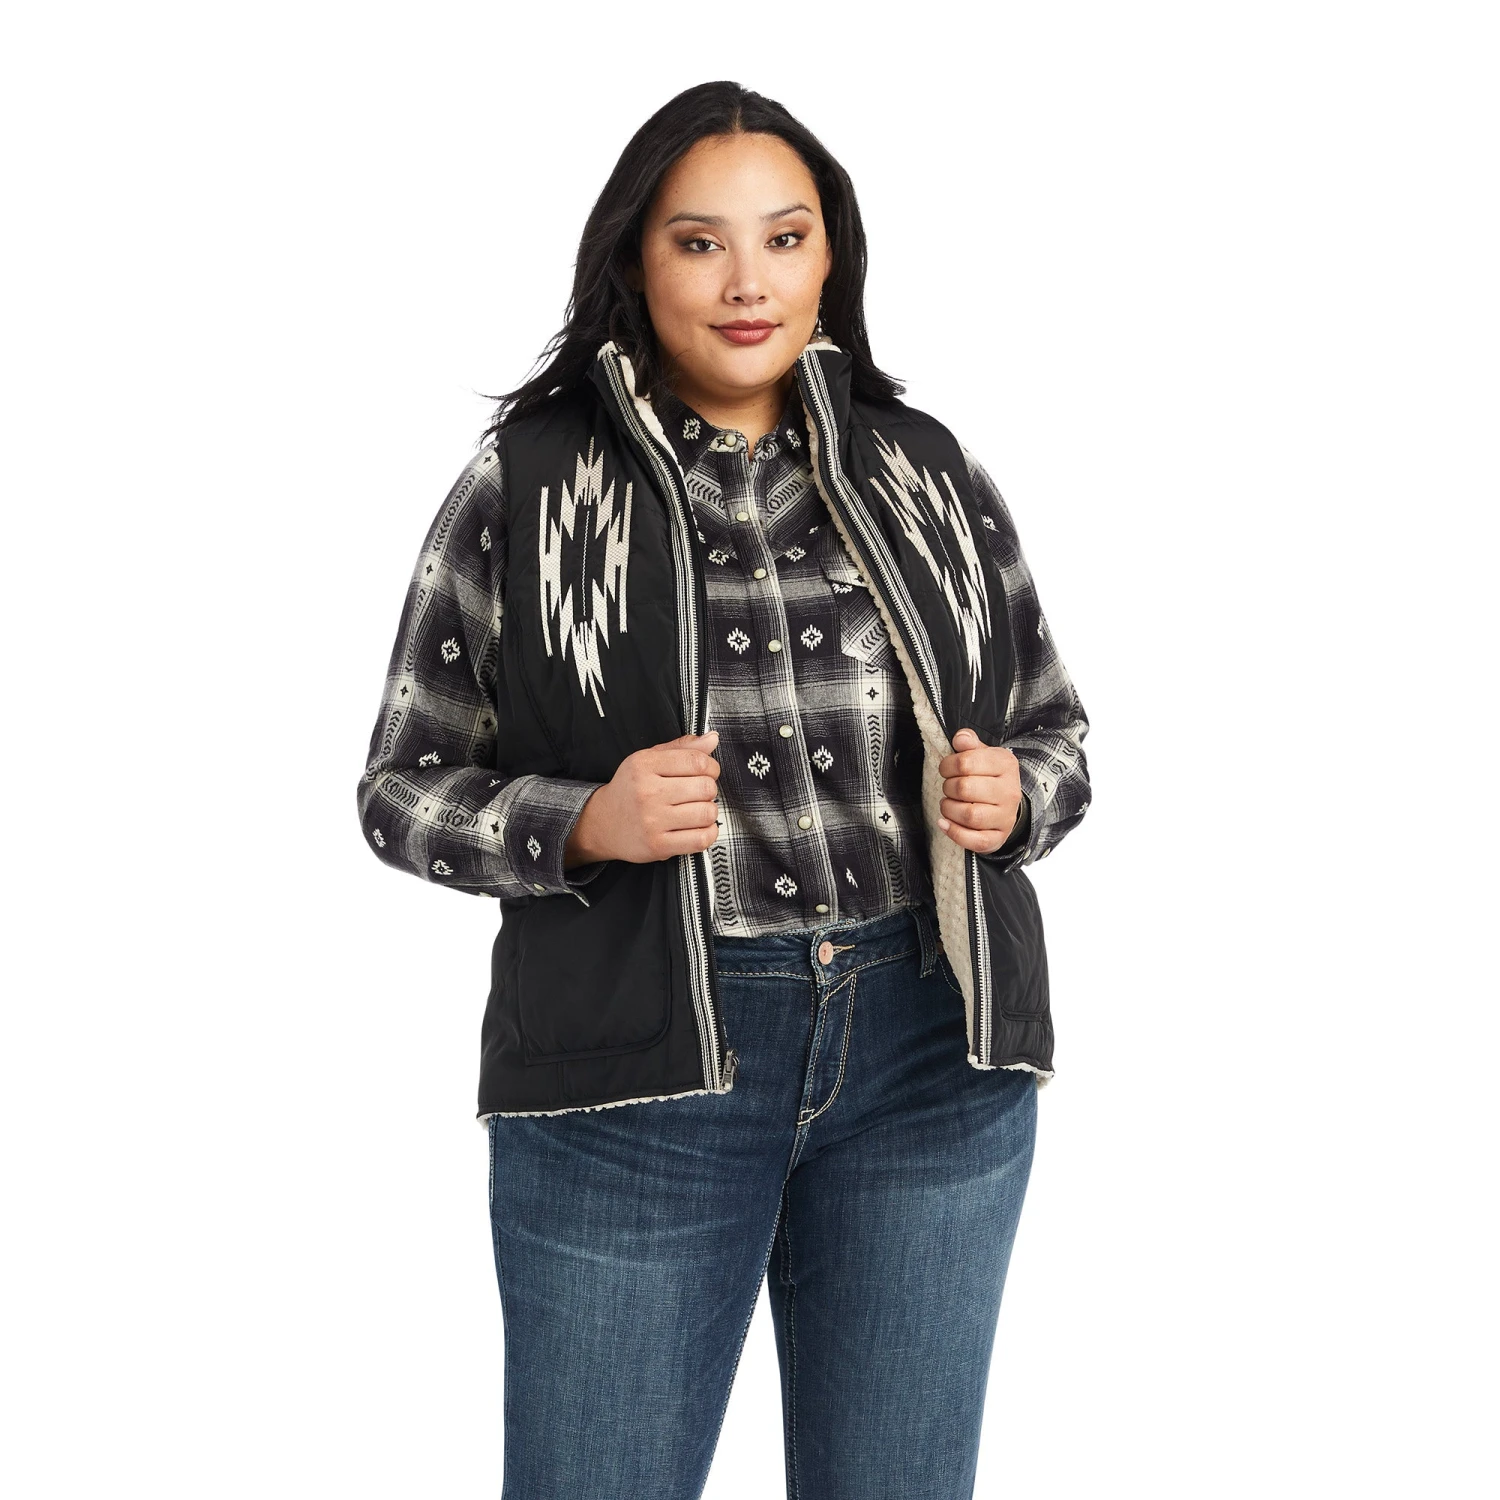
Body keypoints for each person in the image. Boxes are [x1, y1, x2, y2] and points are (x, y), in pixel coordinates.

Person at [356, 79, 1091, 1500]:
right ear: (635, 260)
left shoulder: (926, 471)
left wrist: (1017, 798)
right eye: (700, 243)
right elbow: (402, 787)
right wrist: (585, 821)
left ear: (831, 257)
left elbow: (1055, 730)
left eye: (784, 237)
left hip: (932, 1050)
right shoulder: (531, 488)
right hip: (638, 1074)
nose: (748, 282)